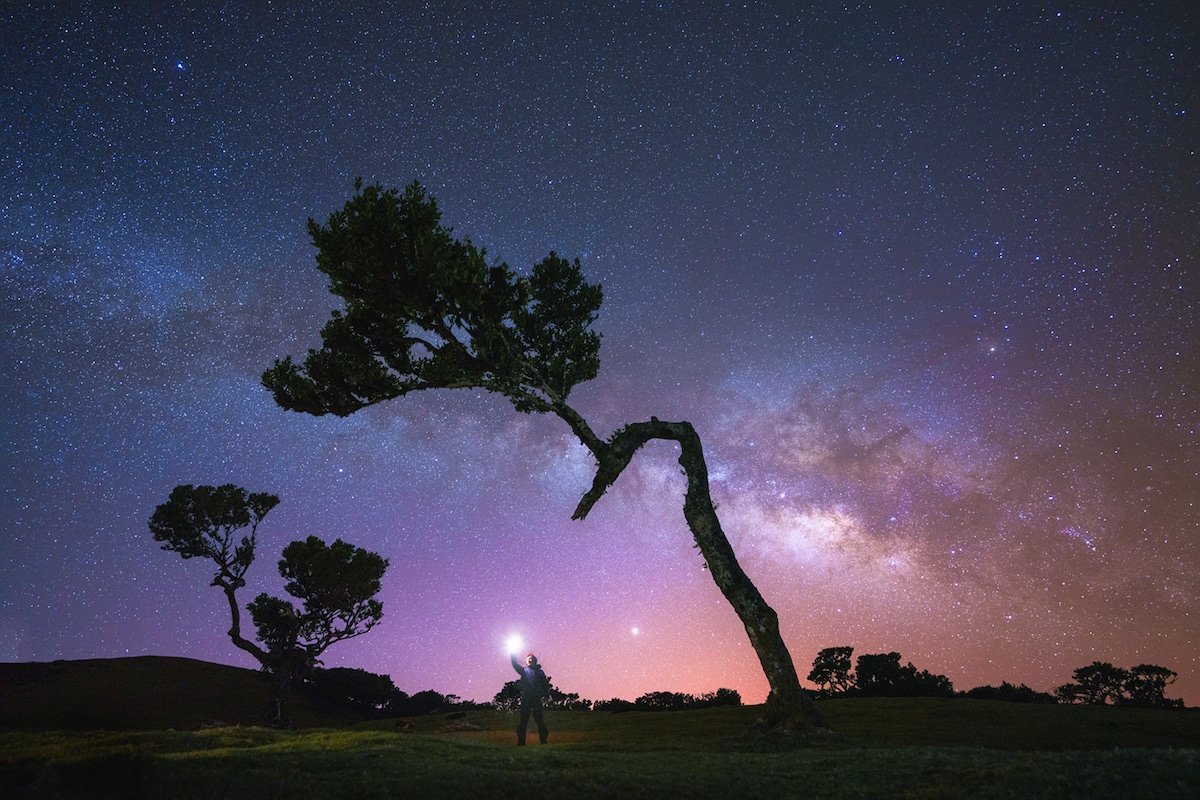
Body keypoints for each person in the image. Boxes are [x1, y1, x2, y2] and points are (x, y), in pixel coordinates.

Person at [510, 652, 550, 745]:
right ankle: (521, 743)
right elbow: (515, 665)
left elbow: (545, 684)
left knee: (540, 721)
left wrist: (545, 694)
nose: (529, 661)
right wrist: (513, 655)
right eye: (528, 659)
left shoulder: (540, 672)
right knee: (523, 722)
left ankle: (543, 742)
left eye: (531, 659)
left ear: (535, 661)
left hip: (536, 698)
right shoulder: (524, 670)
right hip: (526, 699)